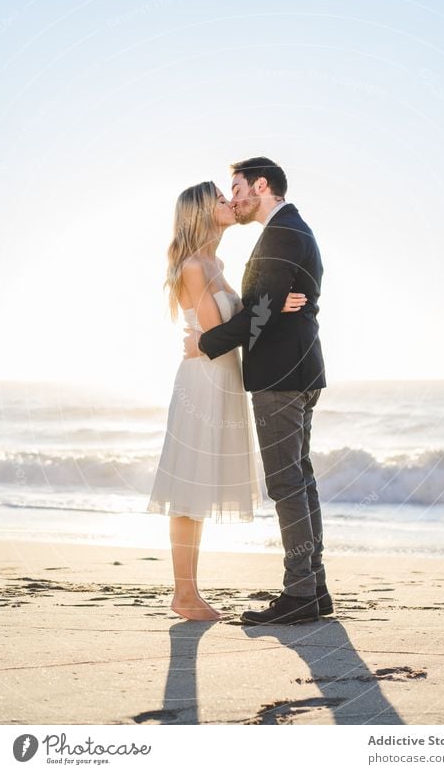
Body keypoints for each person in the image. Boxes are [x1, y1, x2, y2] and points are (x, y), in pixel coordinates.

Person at [147, 180, 307, 621]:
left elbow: (226, 332)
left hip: (222, 374)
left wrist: (274, 306)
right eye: (220, 199)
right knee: (188, 487)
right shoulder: (196, 265)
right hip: (202, 380)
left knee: (199, 484)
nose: (228, 203)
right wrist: (271, 309)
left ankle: (189, 592)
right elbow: (219, 330)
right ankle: (184, 594)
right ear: (201, 211)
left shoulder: (216, 261)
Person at [184, 158, 333, 625]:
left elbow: (259, 314)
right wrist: (270, 308)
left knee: (287, 483)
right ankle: (315, 587)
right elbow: (265, 306)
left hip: (281, 376)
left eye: (237, 187)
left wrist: (205, 344)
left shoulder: (283, 232)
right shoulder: (292, 228)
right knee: (300, 480)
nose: (234, 197)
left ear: (261, 185)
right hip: (299, 370)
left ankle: (301, 592)